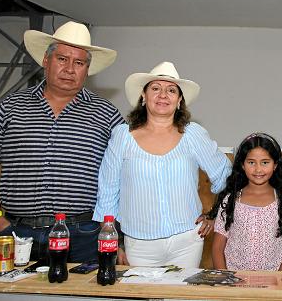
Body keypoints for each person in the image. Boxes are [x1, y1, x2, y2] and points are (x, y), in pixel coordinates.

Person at [0, 21, 124, 262]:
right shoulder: (11, 107)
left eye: (79, 62)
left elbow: (126, 174)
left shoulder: (107, 114)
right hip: (14, 232)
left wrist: (118, 236)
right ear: (46, 60)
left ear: (87, 69)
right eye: (62, 59)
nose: (70, 69)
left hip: (84, 235)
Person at [93, 61, 231, 268]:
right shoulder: (122, 136)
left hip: (187, 242)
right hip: (138, 244)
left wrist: (214, 215)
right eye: (155, 88)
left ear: (179, 100)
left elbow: (226, 176)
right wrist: (113, 242)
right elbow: (108, 192)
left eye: (171, 90)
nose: (163, 95)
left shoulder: (193, 134)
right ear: (143, 96)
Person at [209, 133, 282, 271]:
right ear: (242, 165)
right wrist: (225, 281)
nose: (258, 169)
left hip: (272, 284)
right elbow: (217, 249)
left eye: (265, 162)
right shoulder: (230, 200)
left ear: (275, 165)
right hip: (234, 282)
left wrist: (278, 280)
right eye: (251, 162)